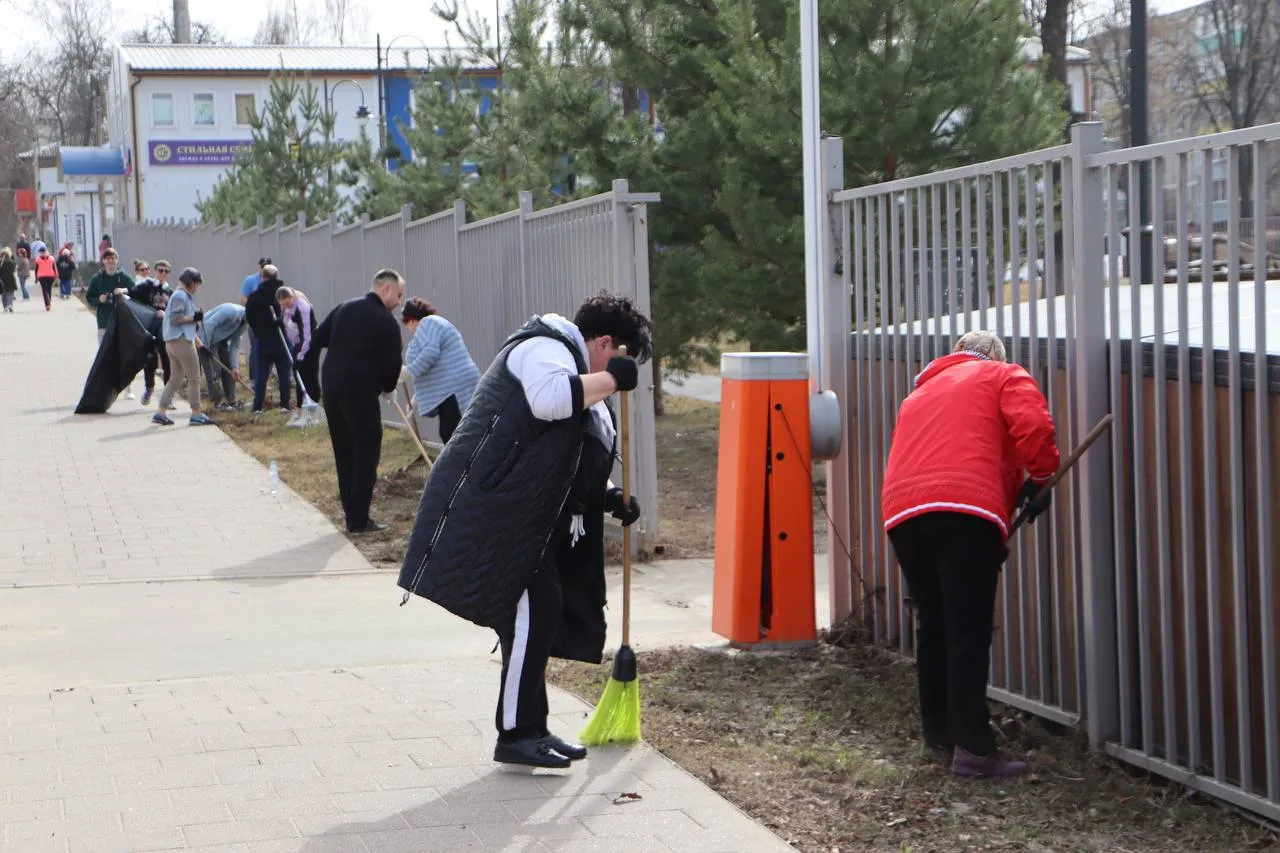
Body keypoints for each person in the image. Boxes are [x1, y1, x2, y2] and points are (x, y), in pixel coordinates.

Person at [398, 292, 650, 770]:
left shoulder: (575, 364)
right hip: (492, 504)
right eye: (620, 356)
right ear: (603, 343)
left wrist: (611, 494)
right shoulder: (545, 347)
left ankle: (530, 728)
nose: (619, 372)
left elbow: (580, 445)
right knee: (534, 607)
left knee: (539, 611)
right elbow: (551, 402)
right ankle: (515, 733)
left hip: (524, 512)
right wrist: (611, 378)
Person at [880, 331, 1060, 780]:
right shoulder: (1001, 375)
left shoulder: (918, 395)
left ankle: (940, 733)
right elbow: (1034, 429)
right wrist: (1041, 477)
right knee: (967, 631)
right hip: (965, 510)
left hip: (904, 514)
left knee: (935, 625)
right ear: (995, 355)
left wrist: (993, 537)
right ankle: (975, 751)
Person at [312, 269, 405, 534]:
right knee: (366, 452)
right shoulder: (385, 322)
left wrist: (313, 383)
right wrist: (389, 388)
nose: (400, 301)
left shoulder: (344, 308)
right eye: (399, 294)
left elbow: (318, 339)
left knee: (344, 451)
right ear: (385, 289)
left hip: (331, 387)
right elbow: (392, 364)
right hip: (360, 392)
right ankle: (359, 519)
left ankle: (350, 513)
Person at [400, 297, 480, 443]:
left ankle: (461, 466)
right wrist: (415, 400)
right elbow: (433, 371)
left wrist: (409, 371)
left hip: (454, 388)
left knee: (452, 435)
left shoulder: (427, 323)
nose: (409, 329)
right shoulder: (436, 324)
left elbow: (430, 353)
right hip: (457, 385)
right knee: (457, 432)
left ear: (411, 320)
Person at [153, 268, 213, 427]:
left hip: (172, 343)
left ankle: (160, 412)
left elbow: (182, 323)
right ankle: (196, 414)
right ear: (191, 282)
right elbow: (175, 319)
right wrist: (195, 317)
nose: (197, 288)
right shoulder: (180, 296)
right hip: (182, 343)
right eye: (197, 284)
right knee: (194, 378)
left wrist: (199, 342)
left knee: (175, 378)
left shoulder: (180, 295)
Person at [85, 249, 138, 399]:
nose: (110, 262)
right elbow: (90, 297)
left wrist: (124, 290)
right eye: (107, 259)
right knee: (105, 356)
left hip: (122, 321)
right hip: (104, 322)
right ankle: (106, 389)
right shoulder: (97, 279)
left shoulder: (124, 277)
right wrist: (98, 300)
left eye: (113, 259)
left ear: (117, 260)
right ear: (103, 262)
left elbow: (136, 291)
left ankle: (127, 388)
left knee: (123, 355)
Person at [244, 264, 292, 414]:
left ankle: (257, 407)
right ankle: (285, 405)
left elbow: (249, 317)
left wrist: (260, 330)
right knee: (284, 373)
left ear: (262, 277)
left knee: (262, 375)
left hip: (263, 340)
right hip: (282, 339)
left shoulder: (255, 296)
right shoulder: (284, 293)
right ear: (277, 276)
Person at [130, 260, 171, 405]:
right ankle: (149, 388)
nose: (163, 274)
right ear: (155, 271)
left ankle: (167, 396)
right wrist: (121, 291)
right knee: (150, 361)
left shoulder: (170, 292)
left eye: (166, 271)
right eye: (160, 271)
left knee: (167, 362)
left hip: (165, 331)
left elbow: (174, 311)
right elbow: (131, 294)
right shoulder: (147, 287)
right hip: (149, 329)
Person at [197, 303, 247, 412]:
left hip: (221, 341)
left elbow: (235, 344)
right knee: (215, 371)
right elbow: (209, 323)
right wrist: (205, 346)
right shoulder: (231, 311)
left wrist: (235, 367)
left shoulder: (245, 323)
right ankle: (217, 403)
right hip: (205, 339)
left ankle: (231, 400)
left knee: (229, 369)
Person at [276, 286, 320, 406]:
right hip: (298, 343)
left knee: (309, 374)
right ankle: (301, 405)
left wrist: (300, 356)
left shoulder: (302, 308)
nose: (284, 306)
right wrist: (280, 321)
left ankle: (313, 402)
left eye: (286, 303)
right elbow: (286, 319)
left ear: (292, 297)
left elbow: (307, 335)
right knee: (298, 374)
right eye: (282, 304)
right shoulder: (285, 306)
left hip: (310, 344)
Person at [240, 257, 270, 383]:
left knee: (268, 348)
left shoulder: (273, 281)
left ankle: (265, 377)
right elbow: (242, 299)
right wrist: (257, 305)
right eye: (262, 266)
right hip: (255, 320)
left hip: (268, 321)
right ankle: (254, 378)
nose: (264, 269)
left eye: (267, 266)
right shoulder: (250, 280)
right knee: (256, 347)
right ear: (259, 267)